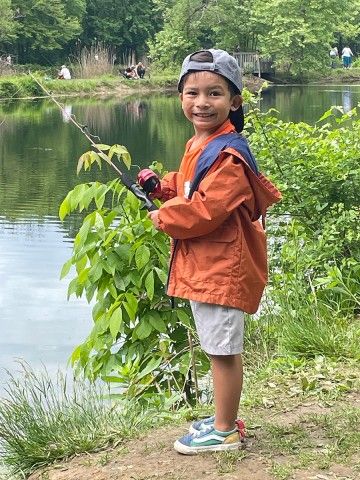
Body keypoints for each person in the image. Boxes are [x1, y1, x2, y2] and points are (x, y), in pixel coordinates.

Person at [144, 49, 281, 454]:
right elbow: (191, 186)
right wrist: (162, 187)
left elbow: (206, 210)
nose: (201, 102)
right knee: (215, 345)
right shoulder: (201, 142)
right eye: (192, 93)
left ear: (234, 101)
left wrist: (162, 217)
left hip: (223, 268)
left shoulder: (230, 155)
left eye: (214, 94)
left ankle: (225, 431)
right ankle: (223, 417)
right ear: (181, 97)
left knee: (222, 350)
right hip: (208, 264)